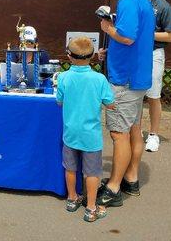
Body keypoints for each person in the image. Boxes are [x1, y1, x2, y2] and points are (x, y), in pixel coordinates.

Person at [95, 0, 155, 206]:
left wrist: (108, 29)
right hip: (138, 77)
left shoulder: (129, 0)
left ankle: (113, 187)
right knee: (133, 129)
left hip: (125, 80)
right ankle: (130, 179)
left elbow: (128, 38)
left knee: (118, 134)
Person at [56, 36, 115, 222]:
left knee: (70, 168)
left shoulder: (63, 77)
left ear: (69, 56)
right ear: (93, 56)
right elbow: (110, 104)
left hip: (70, 132)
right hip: (91, 136)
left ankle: (72, 198)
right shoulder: (99, 79)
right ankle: (91, 208)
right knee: (93, 172)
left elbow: (59, 101)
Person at [135, 0, 171, 152]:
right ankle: (136, 131)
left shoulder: (164, 6)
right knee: (135, 94)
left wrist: (147, 35)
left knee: (153, 95)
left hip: (154, 53)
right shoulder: (135, 3)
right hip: (135, 53)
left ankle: (153, 135)